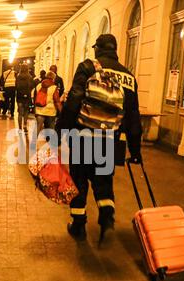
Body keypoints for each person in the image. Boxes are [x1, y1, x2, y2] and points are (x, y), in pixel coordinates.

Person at [56, 34, 143, 243]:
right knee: (103, 182)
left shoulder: (87, 67)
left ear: (97, 49)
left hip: (83, 136)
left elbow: (74, 100)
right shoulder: (129, 77)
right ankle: (107, 220)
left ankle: (78, 225)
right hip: (109, 139)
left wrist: (60, 131)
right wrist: (136, 151)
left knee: (79, 181)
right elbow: (133, 117)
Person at [35, 71, 62, 136]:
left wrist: (35, 108)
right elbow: (57, 101)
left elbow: (35, 98)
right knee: (51, 128)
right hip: (50, 112)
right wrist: (61, 111)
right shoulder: (54, 87)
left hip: (39, 110)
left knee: (38, 127)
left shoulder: (38, 86)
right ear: (53, 78)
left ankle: (33, 142)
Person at [16, 64, 34, 133]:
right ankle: (25, 126)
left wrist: (21, 92)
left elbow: (17, 86)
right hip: (27, 96)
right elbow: (31, 86)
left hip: (19, 96)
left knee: (20, 113)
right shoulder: (30, 77)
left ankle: (20, 128)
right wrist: (26, 93)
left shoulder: (18, 76)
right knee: (26, 112)